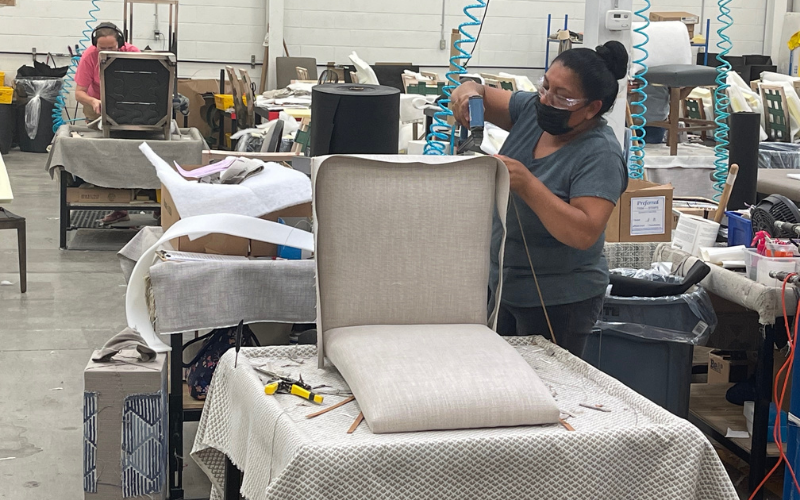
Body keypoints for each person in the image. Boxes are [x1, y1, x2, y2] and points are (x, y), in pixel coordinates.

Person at [450, 41, 630, 357]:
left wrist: (527, 185)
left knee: (550, 392)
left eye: (563, 96)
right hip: (504, 287)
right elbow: (476, 89)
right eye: (545, 86)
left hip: (560, 302)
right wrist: (468, 95)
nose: (546, 99)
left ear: (592, 108)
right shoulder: (533, 112)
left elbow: (584, 232)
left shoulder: (600, 153)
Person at [74, 22, 140, 224]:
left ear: (120, 43)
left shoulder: (133, 53)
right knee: (107, 155)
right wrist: (94, 101)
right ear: (95, 45)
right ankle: (118, 207)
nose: (107, 52)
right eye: (102, 48)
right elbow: (79, 92)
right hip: (97, 106)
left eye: (111, 48)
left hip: (128, 106)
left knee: (134, 153)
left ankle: (154, 204)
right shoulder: (89, 57)